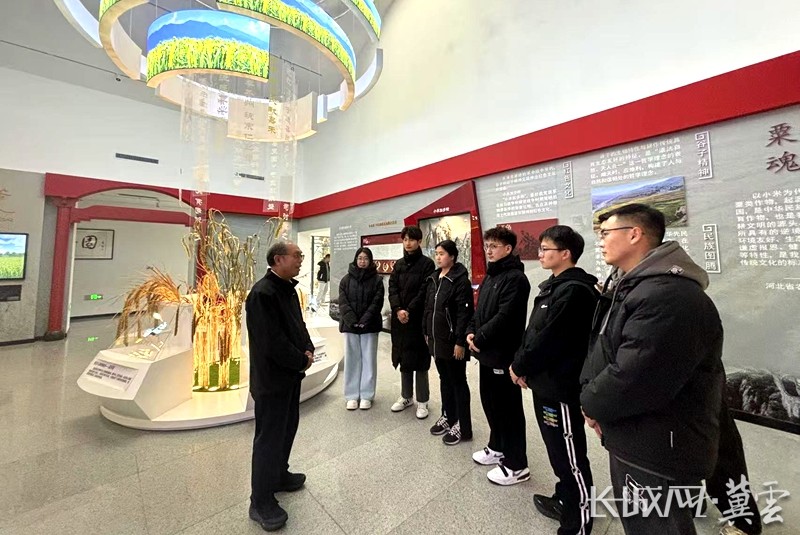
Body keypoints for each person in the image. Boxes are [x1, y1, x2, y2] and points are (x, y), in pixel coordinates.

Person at [580, 203, 724, 535]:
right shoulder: (633, 286)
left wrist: (591, 403)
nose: (600, 241)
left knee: (655, 524)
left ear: (634, 234)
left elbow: (636, 376)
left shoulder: (666, 296)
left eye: (606, 233)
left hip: (657, 442)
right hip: (636, 431)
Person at [510, 225, 598, 535]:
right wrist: (523, 366)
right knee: (557, 450)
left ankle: (579, 522)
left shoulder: (575, 291)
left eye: (546, 249)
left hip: (561, 387)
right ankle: (565, 499)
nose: (540, 253)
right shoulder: (554, 286)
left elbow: (550, 339)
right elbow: (533, 332)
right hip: (545, 384)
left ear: (566, 253)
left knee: (570, 455)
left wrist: (519, 365)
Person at [245, 241, 315, 532]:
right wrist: (301, 359)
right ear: (278, 259)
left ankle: (278, 475)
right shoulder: (262, 294)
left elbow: (299, 326)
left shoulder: (287, 289)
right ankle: (260, 501)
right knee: (269, 438)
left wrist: (308, 348)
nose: (300, 259)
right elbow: (271, 342)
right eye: (296, 255)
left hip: (289, 377)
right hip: (272, 381)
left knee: (287, 429)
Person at [466, 226, 531, 485]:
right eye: (487, 245)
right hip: (486, 354)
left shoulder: (516, 279)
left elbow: (505, 317)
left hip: (503, 355)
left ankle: (517, 464)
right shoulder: (490, 276)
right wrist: (470, 331)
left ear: (508, 249)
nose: (489, 250)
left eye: (494, 246)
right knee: (491, 403)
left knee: (508, 409)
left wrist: (479, 338)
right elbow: (479, 311)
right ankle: (497, 447)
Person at [423, 239, 474, 445]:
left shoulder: (460, 281)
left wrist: (460, 342)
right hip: (437, 340)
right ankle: (449, 416)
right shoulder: (434, 278)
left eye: (442, 253)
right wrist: (426, 331)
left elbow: (464, 314)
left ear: (452, 256)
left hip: (453, 342)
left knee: (458, 382)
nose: (438, 257)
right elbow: (428, 308)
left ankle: (463, 425)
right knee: (445, 380)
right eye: (436, 253)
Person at [388, 225, 436, 418]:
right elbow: (392, 288)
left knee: (421, 361)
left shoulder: (427, 264)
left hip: (418, 319)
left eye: (412, 239)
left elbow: (425, 291)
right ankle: (406, 396)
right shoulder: (399, 264)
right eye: (405, 239)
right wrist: (398, 309)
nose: (408, 243)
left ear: (419, 241)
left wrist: (408, 310)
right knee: (404, 358)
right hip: (400, 319)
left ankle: (423, 401)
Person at [338, 247, 385, 410]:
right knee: (352, 360)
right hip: (350, 325)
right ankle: (351, 395)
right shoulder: (345, 280)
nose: (362, 261)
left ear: (370, 260)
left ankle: (366, 395)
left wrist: (365, 320)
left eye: (365, 258)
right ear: (355, 259)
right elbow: (343, 302)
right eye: (360, 258)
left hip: (369, 325)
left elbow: (377, 302)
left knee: (368, 360)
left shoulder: (377, 280)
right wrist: (352, 320)